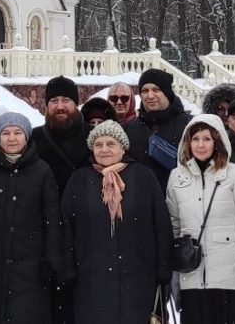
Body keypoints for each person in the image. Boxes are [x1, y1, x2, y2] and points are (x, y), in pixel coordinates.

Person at [61, 120, 172, 324]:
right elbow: (66, 227)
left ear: (123, 147)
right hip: (91, 277)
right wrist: (68, 269)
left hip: (138, 276)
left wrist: (163, 268)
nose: (104, 149)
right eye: (98, 144)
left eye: (110, 144)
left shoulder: (143, 176)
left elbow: (161, 225)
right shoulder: (79, 179)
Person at [0, 112, 66, 324]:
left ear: (27, 137)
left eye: (18, 133)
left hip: (30, 264)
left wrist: (52, 256)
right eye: (6, 133)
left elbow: (52, 217)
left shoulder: (42, 170)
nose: (12, 138)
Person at [166, 114, 235, 324]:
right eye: (196, 139)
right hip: (193, 269)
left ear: (217, 142)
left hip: (232, 269)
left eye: (207, 139)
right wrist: (175, 255)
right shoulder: (176, 177)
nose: (200, 145)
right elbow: (173, 220)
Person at [123, 68, 192, 190]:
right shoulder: (128, 129)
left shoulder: (190, 125)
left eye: (156, 90)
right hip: (141, 200)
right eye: (144, 91)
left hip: (179, 199)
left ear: (167, 92)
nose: (150, 96)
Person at [31, 75, 92, 192]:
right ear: (46, 106)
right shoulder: (35, 137)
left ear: (76, 104)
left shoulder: (94, 136)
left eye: (66, 100)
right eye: (54, 101)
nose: (60, 106)